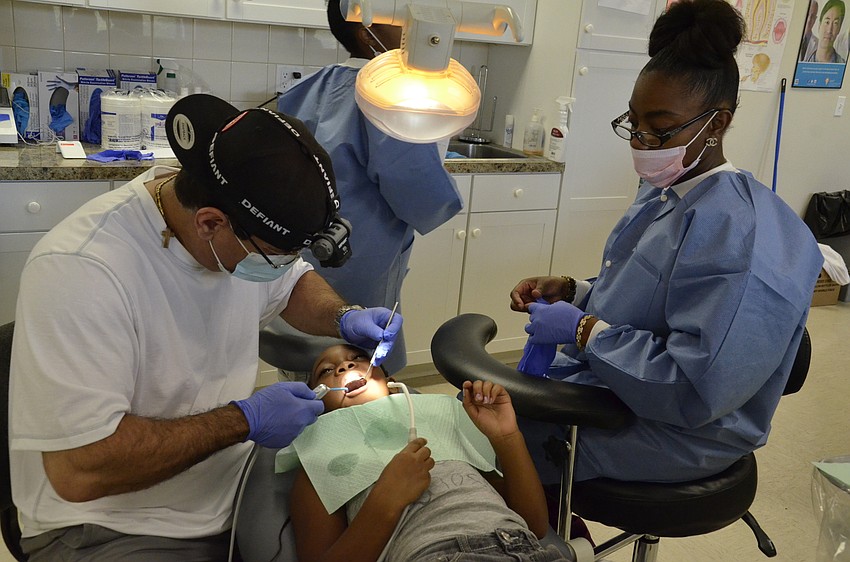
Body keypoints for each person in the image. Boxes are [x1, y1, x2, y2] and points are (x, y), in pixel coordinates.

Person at [8, 93, 403, 560]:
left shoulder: (233, 229)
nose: (281, 268)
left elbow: (291, 284)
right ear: (211, 223)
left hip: (233, 489)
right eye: (272, 258)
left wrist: (343, 316)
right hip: (113, 527)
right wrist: (243, 420)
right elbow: (79, 470)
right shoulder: (83, 271)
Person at [509, 0, 822, 488]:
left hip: (684, 430)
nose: (641, 141)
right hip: (620, 389)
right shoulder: (666, 192)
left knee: (500, 445)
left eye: (659, 129)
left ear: (716, 124)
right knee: (486, 412)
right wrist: (576, 293)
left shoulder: (740, 232)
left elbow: (695, 387)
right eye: (634, 124)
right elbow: (648, 302)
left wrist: (585, 331)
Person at [276, 0, 463, 374]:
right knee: (357, 369)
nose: (412, 24)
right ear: (366, 31)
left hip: (300, 256)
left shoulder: (312, 86)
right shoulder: (387, 101)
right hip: (358, 260)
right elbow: (422, 195)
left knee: (305, 360)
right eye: (400, 17)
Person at [289, 344, 569, 562]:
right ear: (318, 408)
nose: (345, 365)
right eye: (326, 370)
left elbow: (534, 524)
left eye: (358, 358)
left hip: (527, 549)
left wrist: (507, 437)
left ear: (391, 382)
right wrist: (386, 500)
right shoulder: (322, 458)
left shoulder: (442, 423)